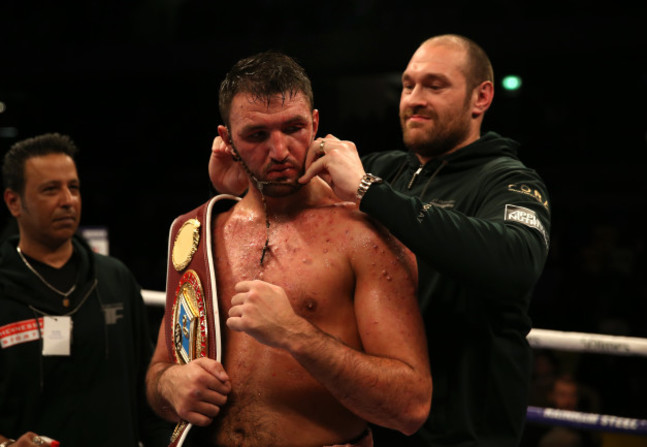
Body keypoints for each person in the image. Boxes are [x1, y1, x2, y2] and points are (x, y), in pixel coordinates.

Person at [209, 35, 551, 447]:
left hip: (466, 427)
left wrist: (372, 192)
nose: (415, 99)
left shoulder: (506, 180)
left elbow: (516, 264)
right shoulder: (385, 168)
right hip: (378, 418)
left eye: (435, 85)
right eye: (408, 85)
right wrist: (242, 182)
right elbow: (286, 185)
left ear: (481, 97)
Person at [145, 51, 432, 447]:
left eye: (293, 128)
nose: (279, 151)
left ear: (314, 124)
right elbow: (159, 370)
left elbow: (410, 406)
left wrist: (295, 334)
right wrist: (170, 385)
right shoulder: (196, 232)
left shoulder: (365, 235)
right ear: (227, 139)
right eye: (257, 135)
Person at [0, 133, 173, 447]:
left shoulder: (116, 280)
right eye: (50, 189)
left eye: (73, 187)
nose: (68, 200)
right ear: (14, 202)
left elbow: (147, 399)